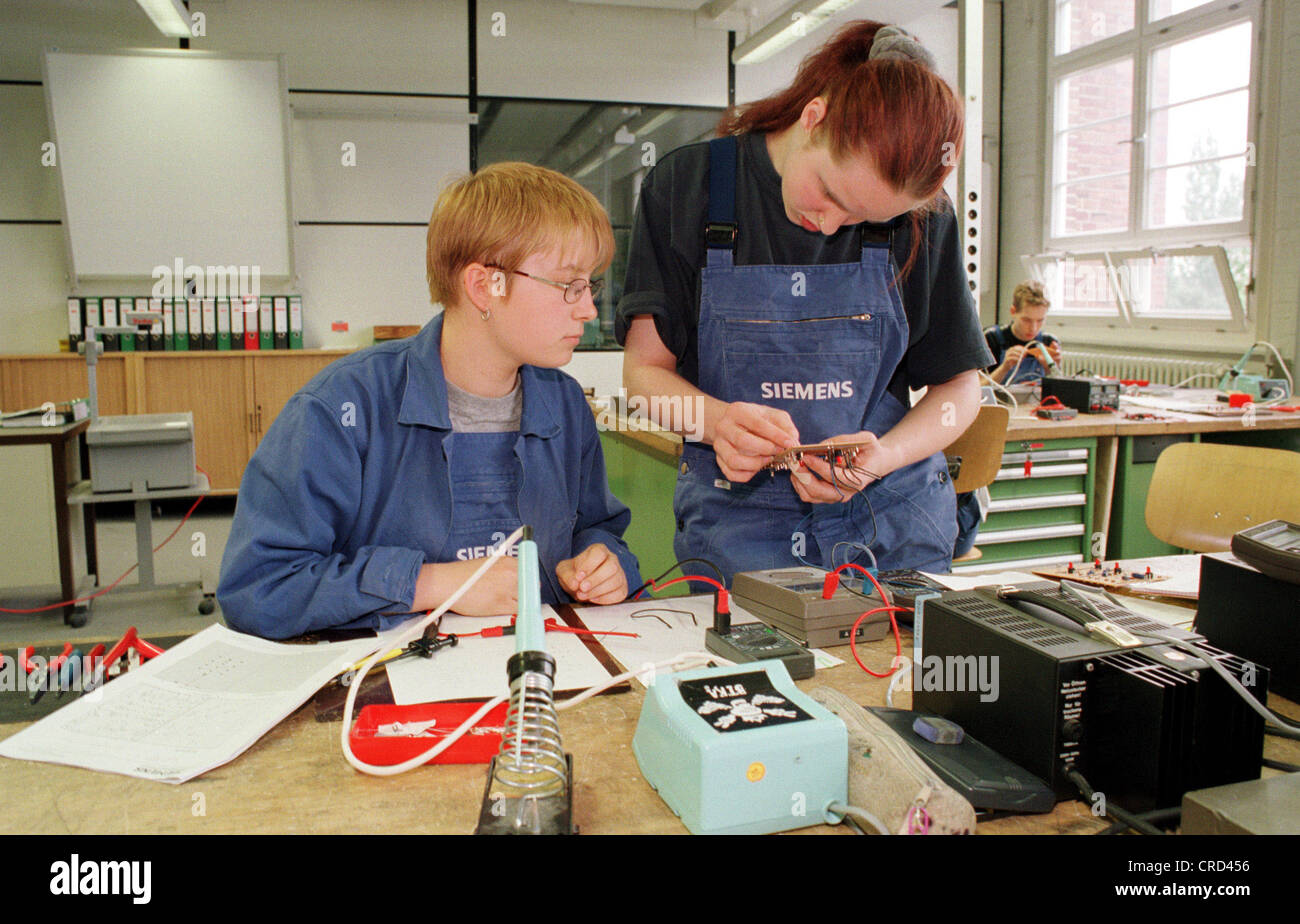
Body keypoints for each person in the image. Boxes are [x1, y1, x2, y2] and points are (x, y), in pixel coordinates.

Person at [618, 21, 993, 582]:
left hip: (889, 523)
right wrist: (718, 423)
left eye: (868, 220)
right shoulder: (688, 185)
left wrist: (884, 457)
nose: (830, 225)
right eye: (832, 195)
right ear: (813, 118)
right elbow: (644, 374)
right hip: (739, 525)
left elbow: (959, 390)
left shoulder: (925, 216)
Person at [219, 163, 641, 639]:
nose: (587, 308)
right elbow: (258, 588)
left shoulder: (564, 405)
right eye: (569, 285)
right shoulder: (340, 408)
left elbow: (597, 527)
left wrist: (607, 563)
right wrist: (434, 583)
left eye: (590, 285)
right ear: (484, 286)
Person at [985, 280, 1062, 385]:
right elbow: (978, 388)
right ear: (1013, 311)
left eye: (1040, 320)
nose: (1033, 328)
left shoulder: (1049, 341)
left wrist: (1050, 369)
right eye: (1026, 320)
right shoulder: (991, 338)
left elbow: (1059, 390)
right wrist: (1004, 368)